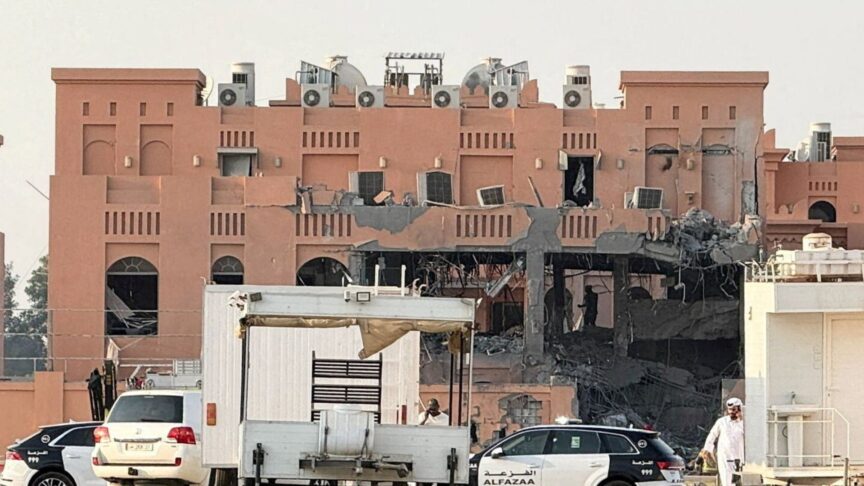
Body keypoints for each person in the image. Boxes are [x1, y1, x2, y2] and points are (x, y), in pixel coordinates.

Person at [701, 397, 744, 486]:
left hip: (739, 458)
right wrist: (707, 449)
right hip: (725, 457)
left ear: (739, 409)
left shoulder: (744, 423)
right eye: (730, 410)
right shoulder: (722, 422)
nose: (731, 412)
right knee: (726, 482)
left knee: (738, 482)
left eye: (734, 409)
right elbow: (712, 435)